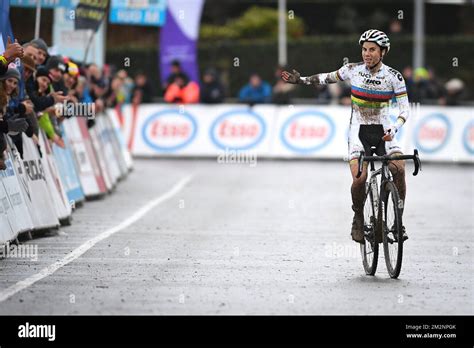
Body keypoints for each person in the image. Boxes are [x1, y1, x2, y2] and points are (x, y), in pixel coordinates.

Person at [282, 29, 409, 244]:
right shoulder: (352, 70)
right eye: (364, 49)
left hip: (385, 132)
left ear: (383, 52)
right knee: (360, 178)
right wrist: (301, 80)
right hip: (359, 132)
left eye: (372, 50)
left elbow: (405, 110)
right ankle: (358, 217)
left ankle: (398, 222)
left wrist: (394, 129)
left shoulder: (394, 77)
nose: (367, 54)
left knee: (399, 169)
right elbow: (327, 77)